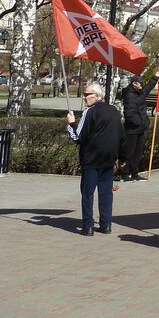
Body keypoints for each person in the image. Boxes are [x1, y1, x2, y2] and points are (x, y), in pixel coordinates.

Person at [66, 82, 126, 235]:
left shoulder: (89, 112)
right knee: (106, 193)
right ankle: (106, 224)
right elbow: (121, 136)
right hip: (108, 159)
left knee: (87, 193)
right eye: (84, 94)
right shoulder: (113, 111)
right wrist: (122, 157)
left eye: (87, 95)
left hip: (91, 159)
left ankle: (88, 226)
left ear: (97, 96)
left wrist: (71, 124)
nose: (84, 98)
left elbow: (78, 137)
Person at [117, 71, 157, 181]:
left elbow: (149, 87)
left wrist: (157, 74)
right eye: (140, 83)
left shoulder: (139, 92)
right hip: (131, 129)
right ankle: (124, 174)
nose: (142, 85)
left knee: (138, 153)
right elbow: (129, 113)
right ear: (134, 83)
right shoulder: (130, 95)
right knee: (129, 152)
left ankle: (135, 173)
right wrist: (140, 122)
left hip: (140, 128)